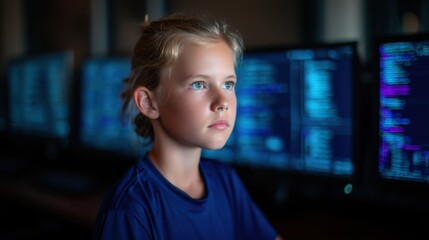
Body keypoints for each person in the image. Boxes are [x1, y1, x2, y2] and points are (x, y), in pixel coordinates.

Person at [92, 13, 283, 240]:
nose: (222, 102)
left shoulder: (225, 181)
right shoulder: (131, 210)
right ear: (149, 103)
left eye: (228, 84)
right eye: (199, 84)